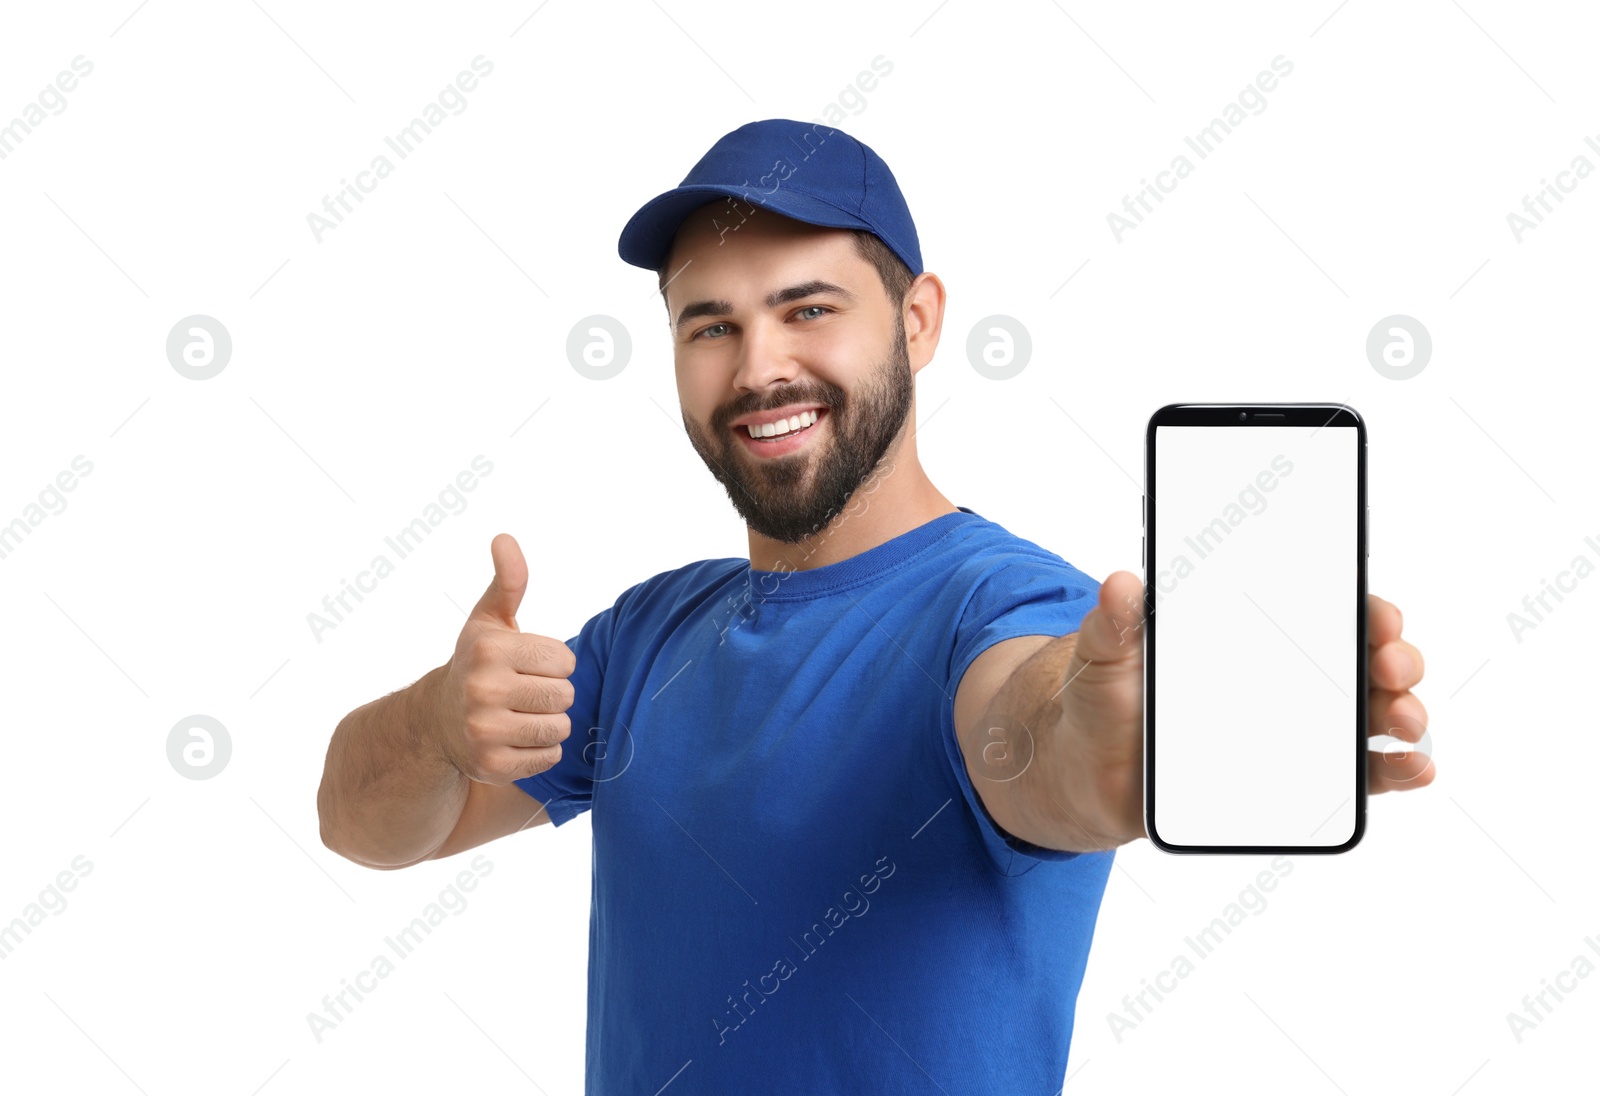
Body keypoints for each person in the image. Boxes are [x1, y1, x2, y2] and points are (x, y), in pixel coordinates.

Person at [317, 118, 1433, 1092]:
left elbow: (1035, 735)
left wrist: (1110, 753)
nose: (758, 367)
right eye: (709, 325)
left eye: (808, 308)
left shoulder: (1000, 604)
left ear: (917, 320)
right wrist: (431, 725)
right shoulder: (647, 637)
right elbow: (357, 826)